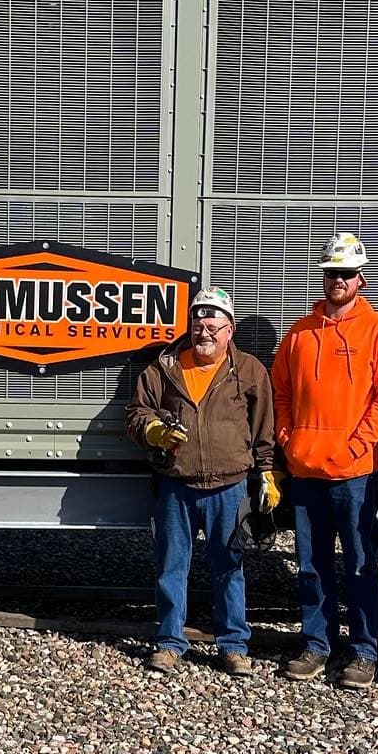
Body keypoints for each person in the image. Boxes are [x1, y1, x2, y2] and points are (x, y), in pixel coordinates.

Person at [271, 233, 378, 688]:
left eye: (346, 274)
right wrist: (288, 438)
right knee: (311, 564)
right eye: (331, 273)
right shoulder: (299, 332)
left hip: (354, 473)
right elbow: (281, 393)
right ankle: (317, 644)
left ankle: (364, 651)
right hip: (306, 468)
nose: (338, 280)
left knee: (361, 563)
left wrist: (355, 446)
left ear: (360, 278)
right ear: (323, 276)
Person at [125, 287, 278, 675]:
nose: (204, 333)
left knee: (230, 566)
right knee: (171, 567)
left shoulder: (249, 371)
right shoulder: (164, 368)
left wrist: (268, 473)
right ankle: (170, 642)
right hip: (177, 485)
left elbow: (264, 429)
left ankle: (232, 645)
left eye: (213, 325)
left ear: (229, 331)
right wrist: (154, 430)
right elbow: (136, 413)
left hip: (230, 486)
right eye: (198, 325)